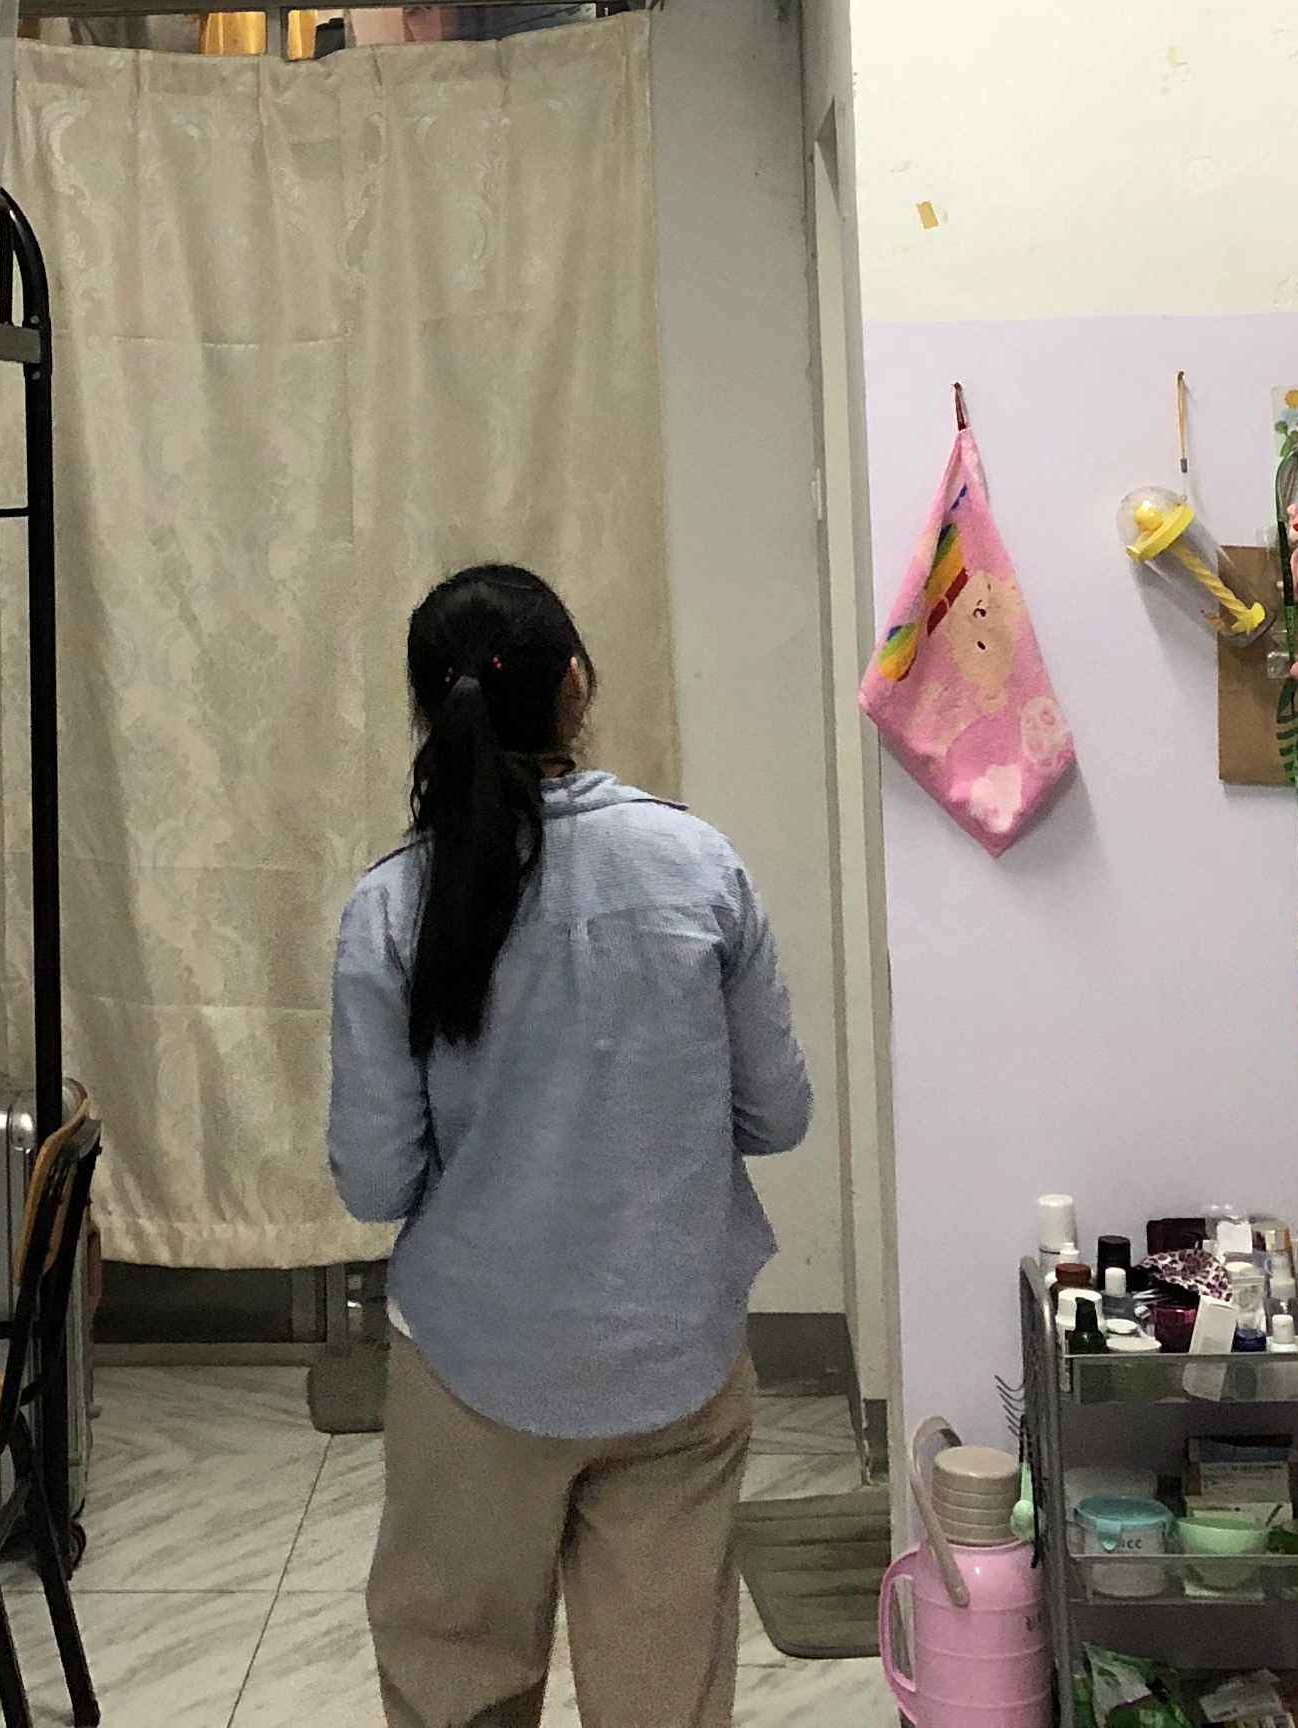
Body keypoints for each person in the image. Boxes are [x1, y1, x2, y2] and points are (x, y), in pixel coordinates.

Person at [328, 562, 817, 1728]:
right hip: (674, 1358)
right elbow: (780, 1116)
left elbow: (375, 1180)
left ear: (426, 712)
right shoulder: (700, 868)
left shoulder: (392, 908)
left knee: (458, 1684)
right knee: (662, 1692)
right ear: (577, 686)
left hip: (471, 1362)